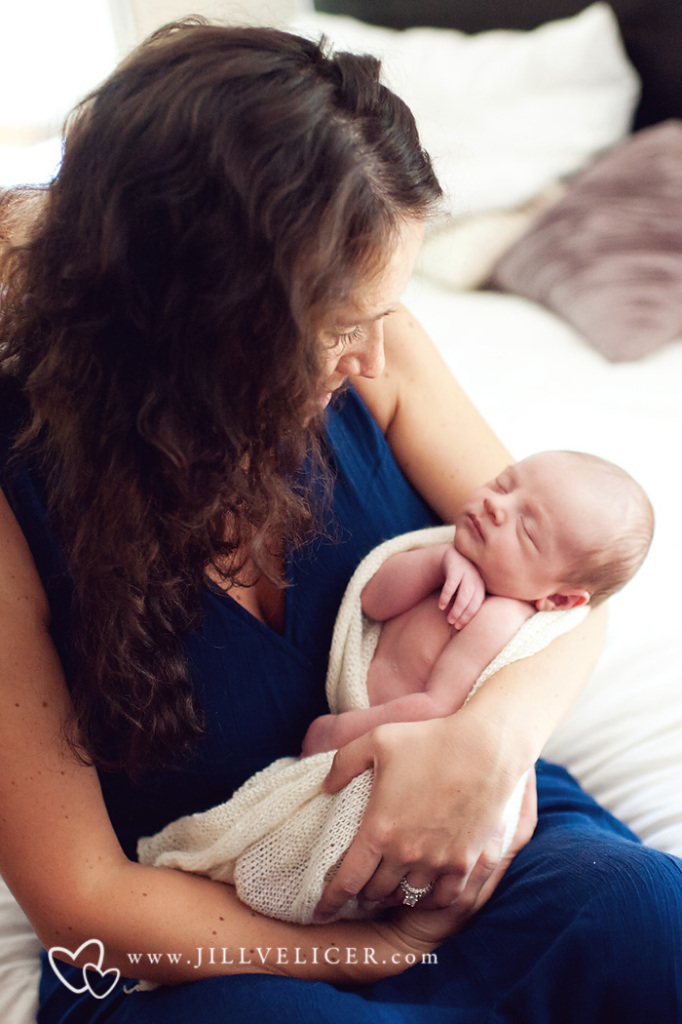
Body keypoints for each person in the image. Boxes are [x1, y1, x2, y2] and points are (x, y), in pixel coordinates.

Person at [0, 18, 680, 1024]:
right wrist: (383, 952)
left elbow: (571, 592)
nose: (371, 352)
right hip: (217, 934)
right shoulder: (20, 496)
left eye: (382, 309)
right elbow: (87, 911)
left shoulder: (379, 345)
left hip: (450, 841)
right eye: (335, 324)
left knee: (643, 915)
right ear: (200, 319)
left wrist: (490, 742)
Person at [302, 449, 654, 755]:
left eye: (527, 530)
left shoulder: (499, 618)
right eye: (503, 484)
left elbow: (437, 713)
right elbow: (372, 601)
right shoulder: (449, 552)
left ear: (559, 598)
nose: (496, 505)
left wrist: (339, 733)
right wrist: (437, 562)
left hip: (379, 740)